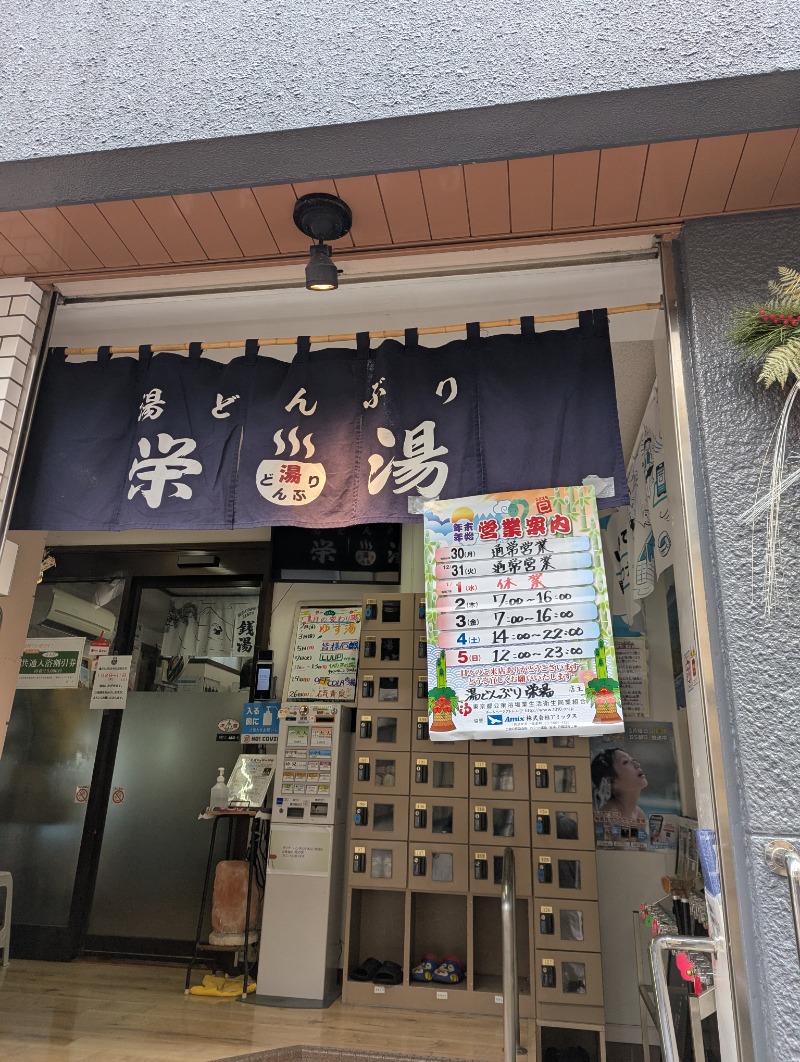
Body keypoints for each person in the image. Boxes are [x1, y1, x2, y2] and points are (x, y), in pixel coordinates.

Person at [590, 746, 648, 826]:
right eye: (626, 762)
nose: (637, 764)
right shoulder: (607, 818)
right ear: (611, 781)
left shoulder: (639, 814)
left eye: (633, 760)